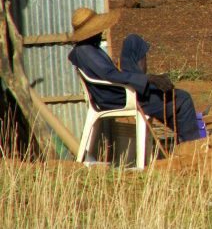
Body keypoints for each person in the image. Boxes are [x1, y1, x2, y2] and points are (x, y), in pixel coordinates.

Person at [68, 7, 202, 142]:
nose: (101, 32)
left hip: (119, 91)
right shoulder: (86, 51)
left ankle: (145, 87)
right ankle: (192, 145)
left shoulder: (88, 49)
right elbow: (110, 75)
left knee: (133, 41)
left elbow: (108, 73)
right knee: (182, 99)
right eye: (98, 30)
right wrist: (149, 79)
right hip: (119, 97)